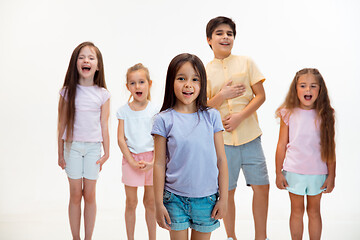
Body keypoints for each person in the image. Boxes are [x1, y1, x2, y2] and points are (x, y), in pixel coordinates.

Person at [151, 53, 228, 240]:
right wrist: (158, 204)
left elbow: (221, 160)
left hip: (207, 200)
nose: (188, 84)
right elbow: (159, 164)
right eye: (181, 78)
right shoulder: (163, 119)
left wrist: (224, 199)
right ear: (171, 82)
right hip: (174, 199)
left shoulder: (212, 116)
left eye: (195, 79)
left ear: (202, 84)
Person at [205, 16, 269, 240]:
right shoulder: (203, 71)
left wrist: (240, 117)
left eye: (229, 34)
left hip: (251, 137)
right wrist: (222, 95)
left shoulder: (247, 62)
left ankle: (261, 237)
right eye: (220, 33)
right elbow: (201, 108)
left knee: (262, 187)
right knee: (227, 192)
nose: (225, 37)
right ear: (209, 40)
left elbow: (260, 96)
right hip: (223, 144)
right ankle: (231, 237)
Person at [57, 42, 110, 240]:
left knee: (89, 195)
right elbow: (61, 124)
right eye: (81, 57)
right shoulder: (67, 92)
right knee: (75, 195)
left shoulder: (103, 94)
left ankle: (88, 238)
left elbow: (104, 125)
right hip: (72, 148)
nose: (86, 60)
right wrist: (60, 153)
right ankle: (76, 238)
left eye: (91, 57)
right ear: (75, 63)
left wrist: (107, 152)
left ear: (98, 66)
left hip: (93, 149)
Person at [275, 68, 336, 240]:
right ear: (296, 89)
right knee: (296, 211)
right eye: (303, 86)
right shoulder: (287, 113)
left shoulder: (326, 114)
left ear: (320, 90)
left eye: (313, 86)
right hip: (293, 172)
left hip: (317, 173)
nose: (308, 90)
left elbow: (330, 147)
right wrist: (278, 172)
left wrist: (332, 175)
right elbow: (281, 145)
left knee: (314, 211)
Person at [117, 63, 157, 240]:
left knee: (150, 202)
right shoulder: (123, 111)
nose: (138, 86)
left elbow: (160, 139)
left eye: (141, 82)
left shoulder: (155, 110)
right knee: (131, 202)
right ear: (128, 87)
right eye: (133, 83)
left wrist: (153, 162)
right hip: (130, 160)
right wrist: (132, 161)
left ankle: (152, 237)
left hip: (151, 160)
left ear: (149, 84)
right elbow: (120, 139)